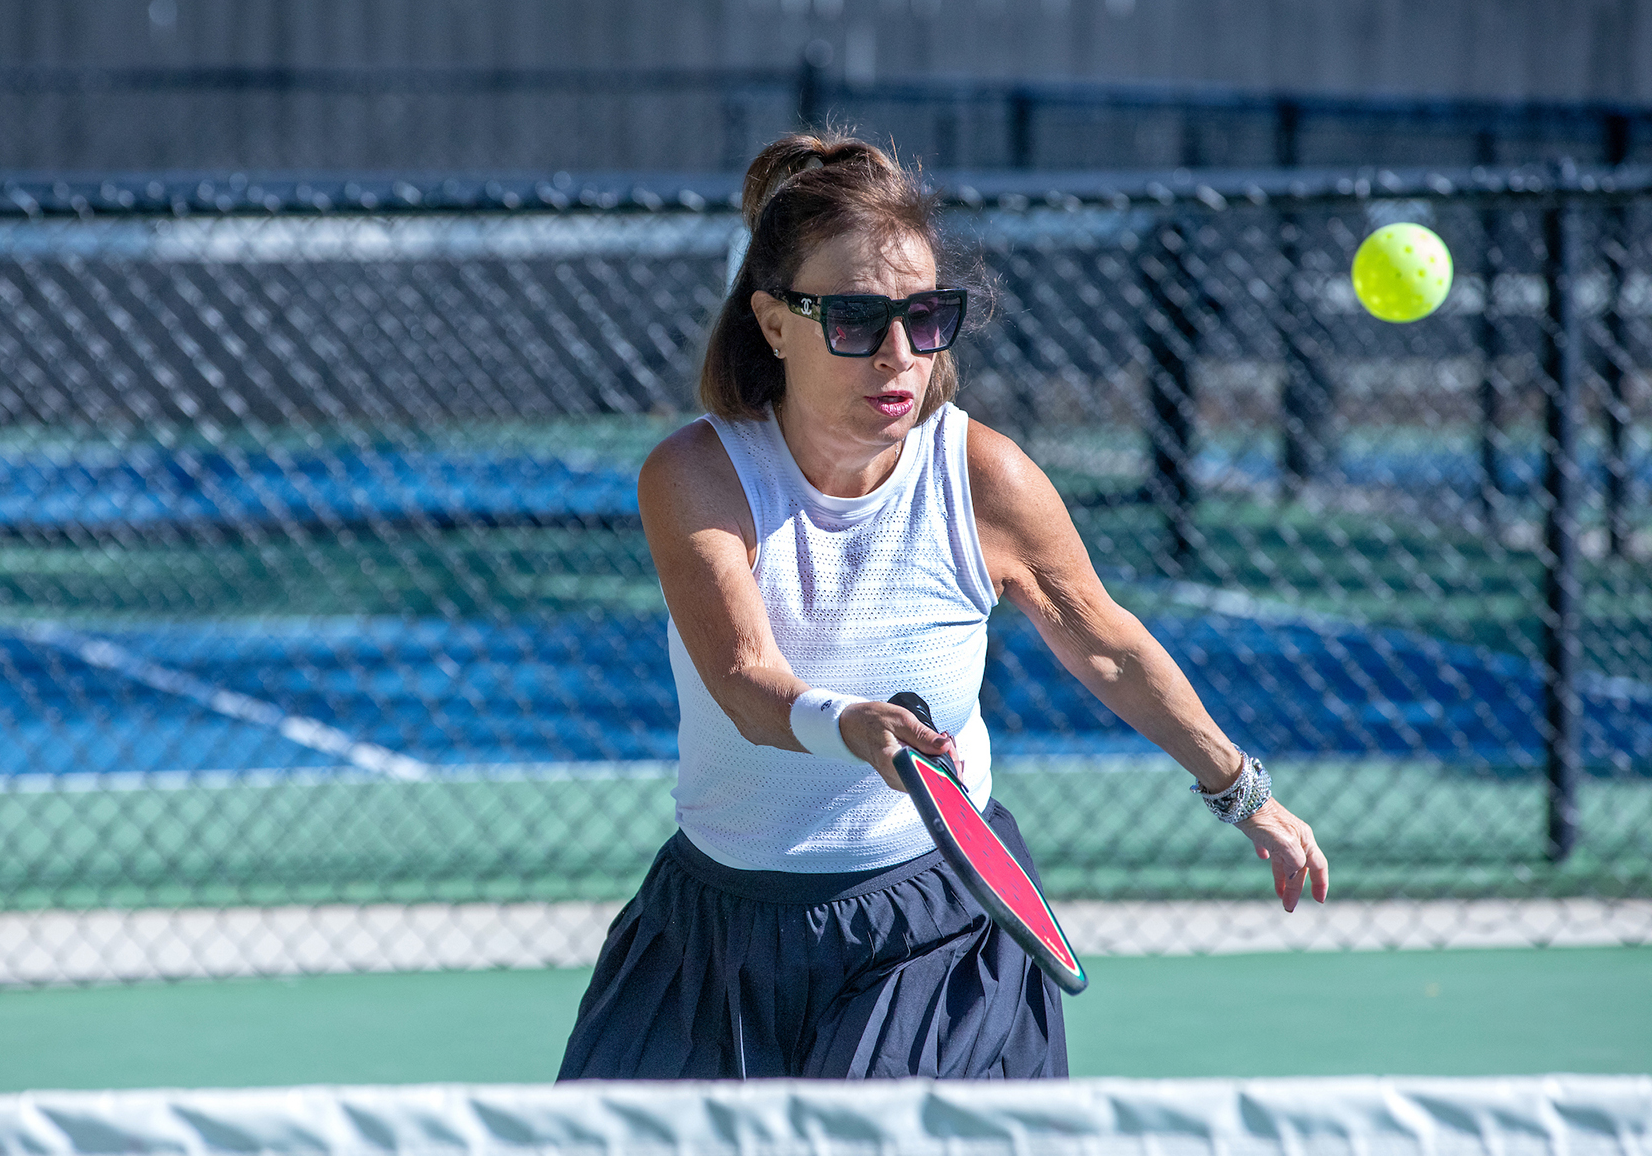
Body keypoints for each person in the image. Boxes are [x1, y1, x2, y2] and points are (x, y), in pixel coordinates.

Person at [557, 132, 1329, 1081]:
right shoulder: (698, 475)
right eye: (855, 319)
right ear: (773, 322)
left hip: (933, 932)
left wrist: (1242, 791)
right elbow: (745, 680)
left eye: (924, 317)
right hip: (713, 928)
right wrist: (852, 726)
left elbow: (1108, 647)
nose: (898, 355)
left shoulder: (985, 477)